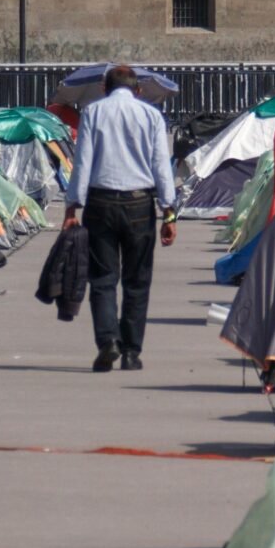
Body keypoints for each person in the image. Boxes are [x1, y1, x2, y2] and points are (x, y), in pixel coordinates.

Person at [62, 65, 177, 372]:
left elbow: (82, 161)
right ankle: (131, 351)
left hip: (100, 202)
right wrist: (169, 210)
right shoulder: (152, 116)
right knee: (137, 281)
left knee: (102, 279)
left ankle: (108, 341)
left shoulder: (93, 113)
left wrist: (72, 205)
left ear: (104, 88)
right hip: (139, 203)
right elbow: (160, 166)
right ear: (137, 90)